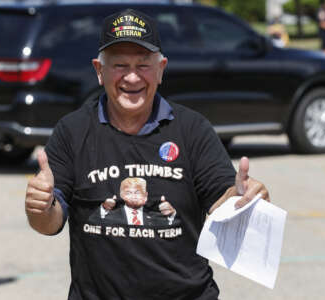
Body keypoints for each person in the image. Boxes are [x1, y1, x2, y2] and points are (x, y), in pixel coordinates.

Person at [25, 8, 269, 300]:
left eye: (143, 65)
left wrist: (242, 198)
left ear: (161, 69)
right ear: (99, 71)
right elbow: (49, 222)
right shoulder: (73, 131)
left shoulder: (192, 129)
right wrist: (39, 207)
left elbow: (223, 200)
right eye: (119, 65)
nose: (131, 77)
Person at [90, 177, 178, 226]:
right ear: (122, 195)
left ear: (145, 195)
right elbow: (91, 224)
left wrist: (172, 213)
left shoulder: (155, 215)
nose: (133, 196)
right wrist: (104, 208)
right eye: (128, 193)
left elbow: (173, 226)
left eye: (137, 192)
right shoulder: (111, 215)